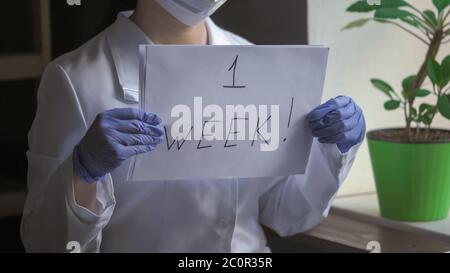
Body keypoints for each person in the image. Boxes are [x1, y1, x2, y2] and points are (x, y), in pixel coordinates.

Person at [21, 0, 366, 253]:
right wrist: (83, 172)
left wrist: (333, 149)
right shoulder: (75, 78)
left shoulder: (256, 62)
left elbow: (288, 215)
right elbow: (46, 244)